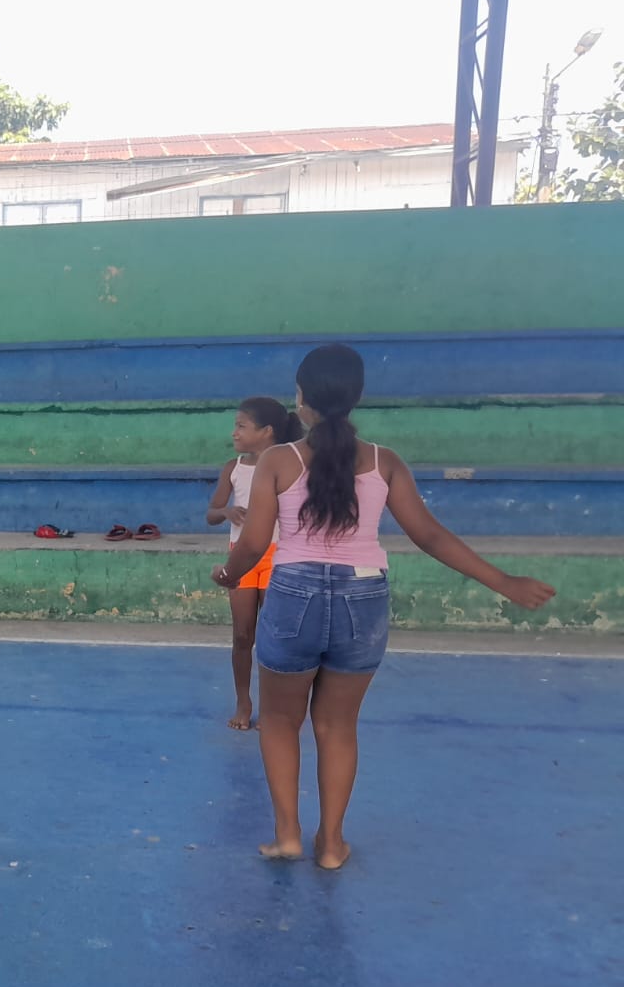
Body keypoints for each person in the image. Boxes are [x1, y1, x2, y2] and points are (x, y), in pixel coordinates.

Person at [212, 344, 555, 870]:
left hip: (294, 594)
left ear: (301, 399)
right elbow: (430, 535)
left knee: (280, 720)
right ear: (355, 397)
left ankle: (287, 836)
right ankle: (332, 845)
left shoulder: (279, 461)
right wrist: (503, 582)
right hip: (364, 597)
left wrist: (229, 575)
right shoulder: (383, 462)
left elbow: (255, 543)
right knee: (337, 726)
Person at [206, 397, 303, 730]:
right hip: (241, 555)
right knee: (242, 634)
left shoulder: (286, 465)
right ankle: (243, 701)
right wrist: (226, 512)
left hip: (278, 555)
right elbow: (211, 514)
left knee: (273, 636)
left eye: (241, 426)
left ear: (266, 431)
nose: (234, 432)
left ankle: (272, 706)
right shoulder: (233, 468)